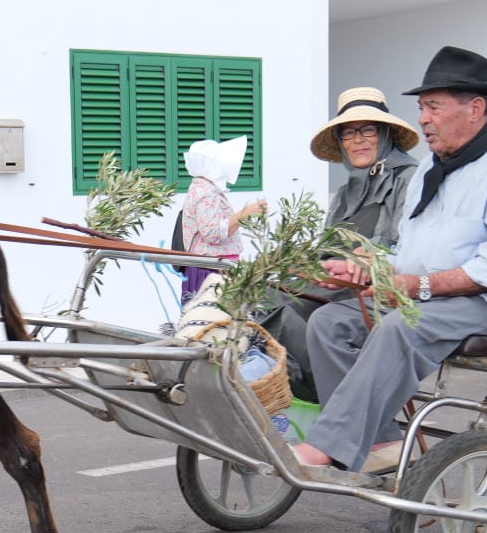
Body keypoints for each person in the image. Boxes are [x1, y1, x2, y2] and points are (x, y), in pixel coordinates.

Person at [292, 46, 487, 476]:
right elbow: (412, 253)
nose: (423, 118)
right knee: (329, 323)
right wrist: (368, 269)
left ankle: (329, 444)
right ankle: (382, 437)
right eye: (422, 107)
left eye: (433, 107)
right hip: (440, 297)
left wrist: (418, 287)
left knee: (399, 327)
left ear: (475, 108)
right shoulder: (430, 167)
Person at [262, 87, 420, 401]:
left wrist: (367, 258)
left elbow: (404, 244)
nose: (357, 139)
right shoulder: (346, 192)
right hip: (336, 285)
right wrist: (294, 262)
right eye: (348, 133)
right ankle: (307, 392)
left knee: (281, 308)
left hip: (380, 288)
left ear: (385, 134)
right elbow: (326, 250)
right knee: (265, 295)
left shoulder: (410, 178)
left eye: (367, 130)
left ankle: (342, 401)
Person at [176, 136, 266, 300]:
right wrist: (244, 213)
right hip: (210, 271)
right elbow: (213, 233)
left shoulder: (204, 189)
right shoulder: (206, 194)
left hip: (214, 268)